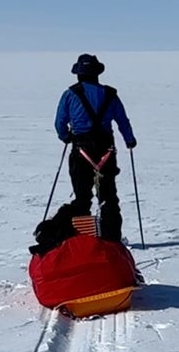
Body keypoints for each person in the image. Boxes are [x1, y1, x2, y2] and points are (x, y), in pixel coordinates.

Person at [54, 53, 136, 239]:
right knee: (108, 195)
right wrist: (129, 139)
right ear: (97, 73)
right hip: (105, 150)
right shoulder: (110, 94)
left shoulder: (69, 94)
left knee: (82, 197)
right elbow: (122, 120)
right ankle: (112, 238)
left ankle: (83, 240)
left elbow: (60, 122)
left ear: (78, 74)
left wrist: (65, 137)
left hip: (80, 150)